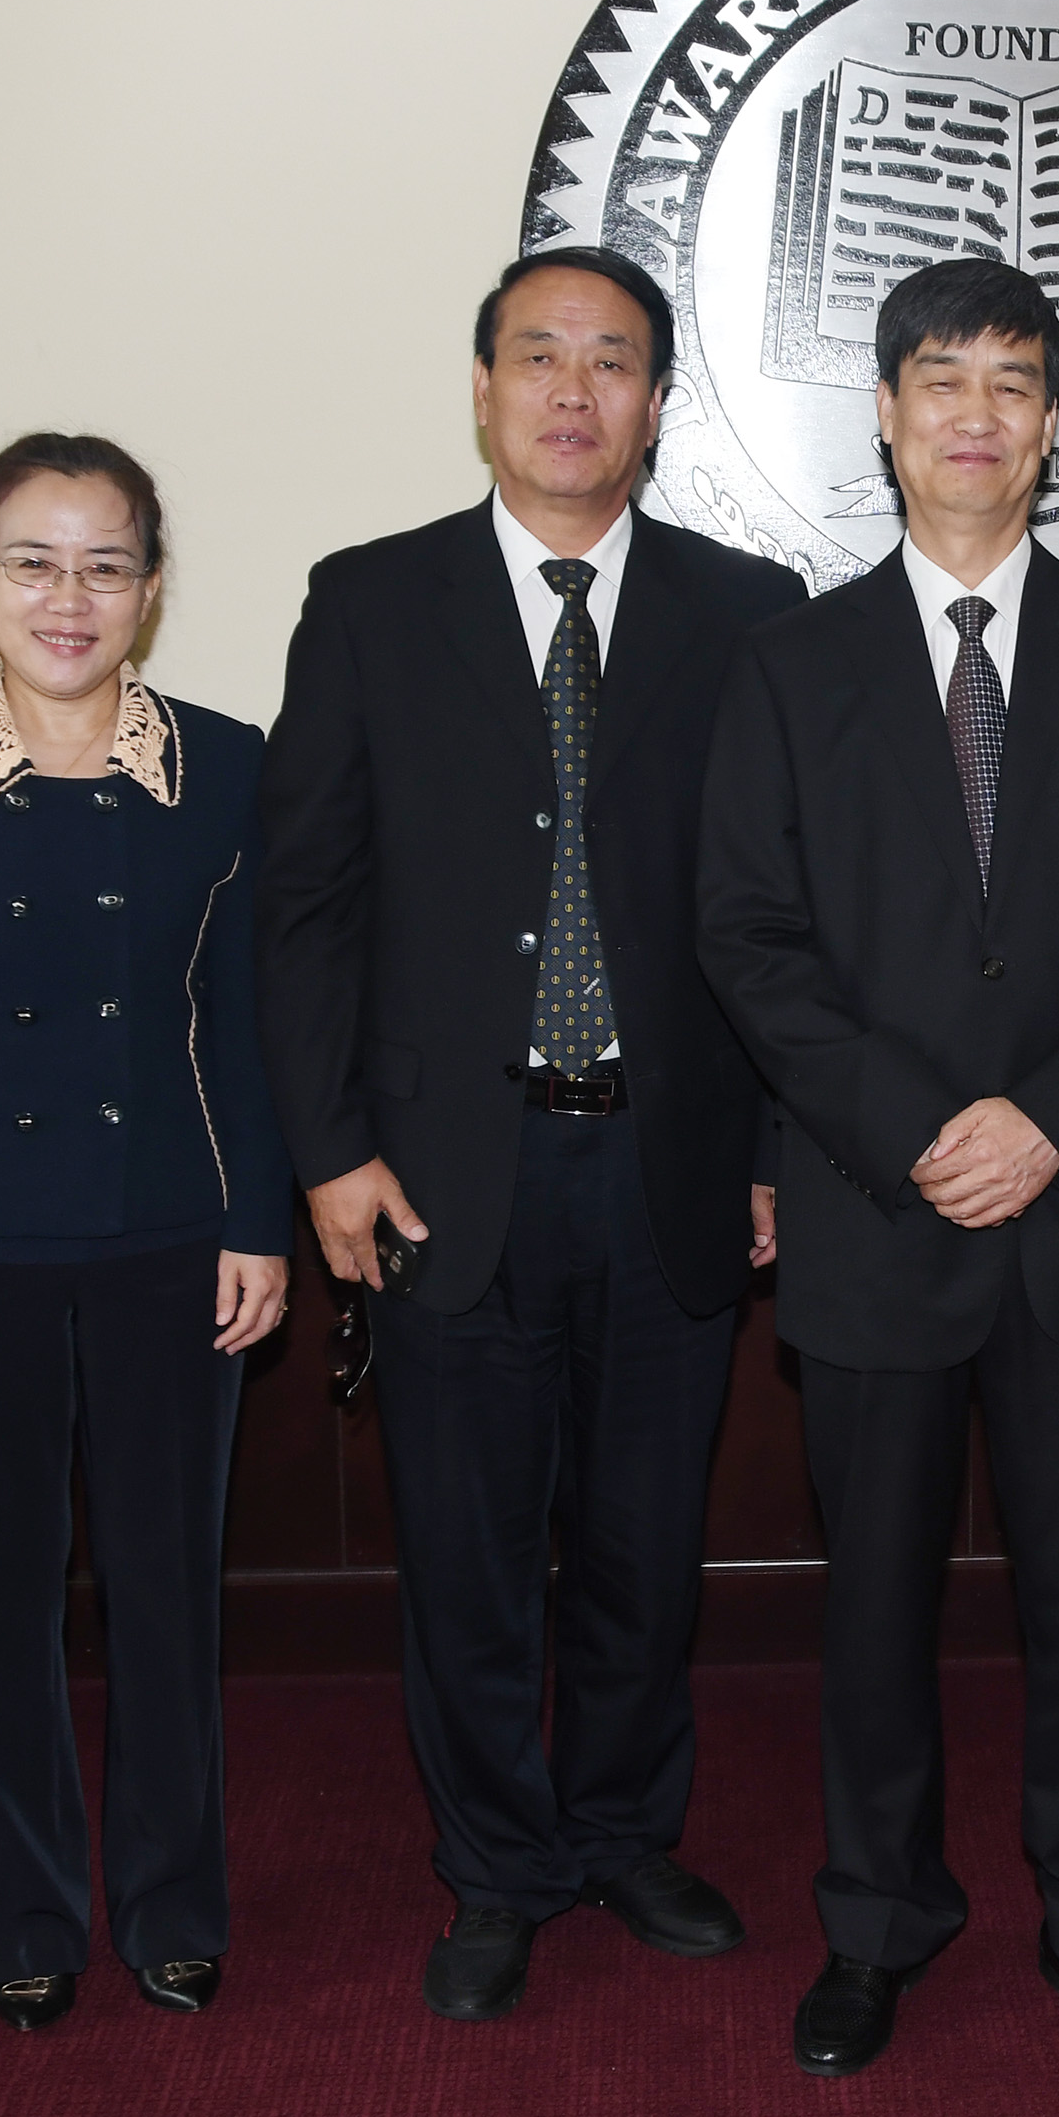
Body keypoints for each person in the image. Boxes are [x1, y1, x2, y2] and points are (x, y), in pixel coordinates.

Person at [698, 257, 1059, 2080]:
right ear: (885, 410)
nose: (977, 416)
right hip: (876, 1212)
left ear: (1054, 420)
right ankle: (877, 1919)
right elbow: (750, 936)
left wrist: (1046, 1121)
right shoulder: (787, 669)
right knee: (872, 1609)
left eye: (1015, 381)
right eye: (943, 380)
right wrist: (916, 1131)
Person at [258, 250, 802, 2022]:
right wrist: (328, 1150)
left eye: (616, 363)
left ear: (658, 402)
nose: (576, 391)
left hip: (672, 1159)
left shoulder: (748, 609)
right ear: (482, 388)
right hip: (440, 1174)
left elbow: (783, 916)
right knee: (472, 1556)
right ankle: (494, 1866)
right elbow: (309, 902)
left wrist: (780, 1148)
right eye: (540, 357)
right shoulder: (370, 603)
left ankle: (626, 1833)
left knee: (649, 1545)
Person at [0, 433, 291, 2032]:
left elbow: (247, 1025)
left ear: (152, 590)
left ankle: (171, 1902)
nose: (67, 595)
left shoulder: (228, 764)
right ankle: (25, 1909)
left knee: (170, 1595)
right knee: (0, 1599)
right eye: (33, 559)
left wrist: (259, 1218)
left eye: (105, 563)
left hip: (175, 1240)